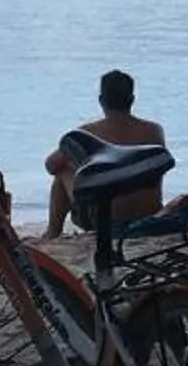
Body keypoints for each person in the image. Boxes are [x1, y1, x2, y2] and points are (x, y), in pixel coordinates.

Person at [44, 69, 168, 239]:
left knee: (63, 169)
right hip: (149, 217)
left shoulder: (88, 133)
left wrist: (79, 160)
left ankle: (53, 232)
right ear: (132, 100)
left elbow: (50, 165)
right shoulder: (155, 131)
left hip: (106, 220)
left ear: (101, 101)